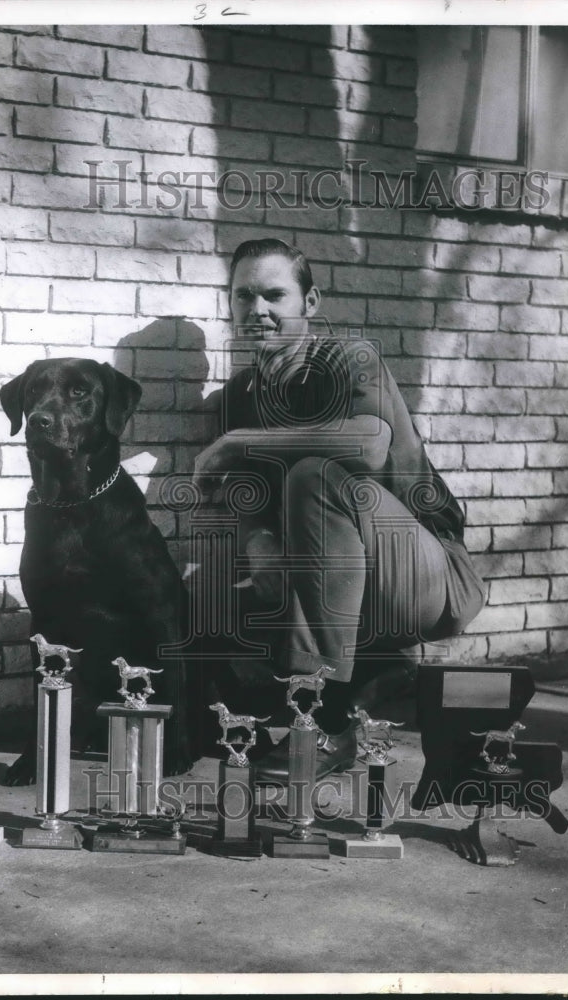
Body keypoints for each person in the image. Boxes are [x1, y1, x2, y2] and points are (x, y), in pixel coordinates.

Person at [192, 239, 485, 780]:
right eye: (244, 296)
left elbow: (370, 444)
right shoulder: (240, 396)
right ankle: (370, 677)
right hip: (337, 578)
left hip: (426, 576)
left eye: (275, 295)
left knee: (315, 478)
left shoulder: (350, 359)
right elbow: (248, 495)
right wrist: (259, 544)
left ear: (310, 301)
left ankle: (324, 723)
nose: (258, 309)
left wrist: (237, 443)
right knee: (202, 588)